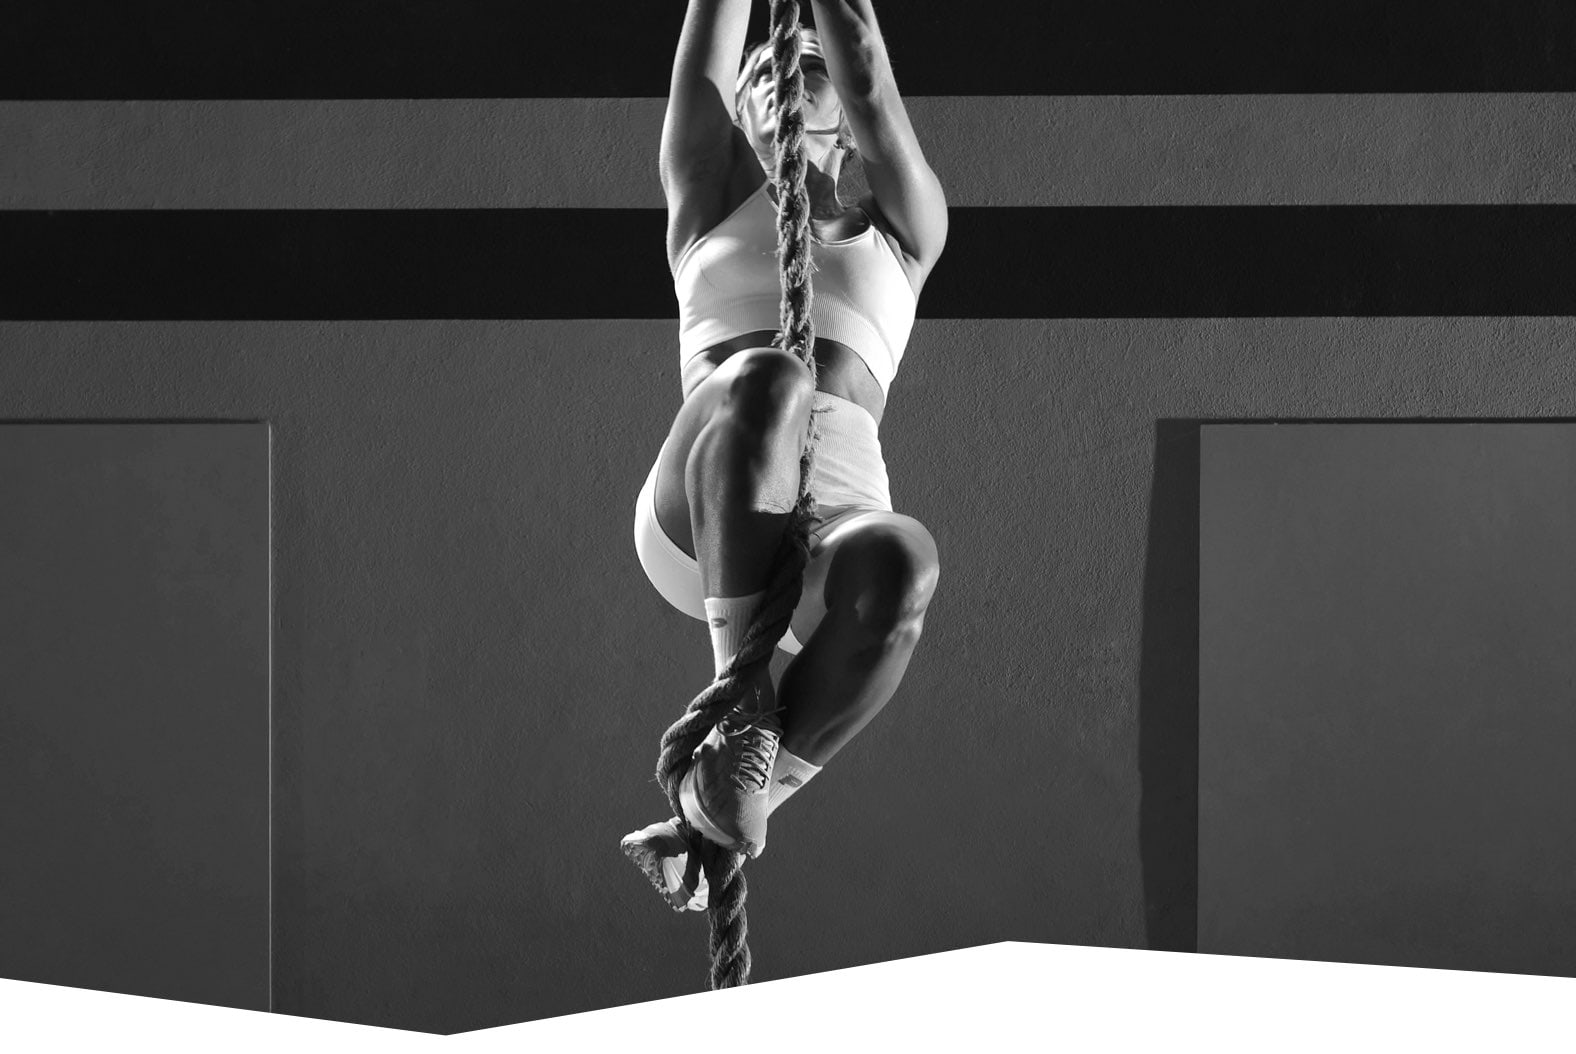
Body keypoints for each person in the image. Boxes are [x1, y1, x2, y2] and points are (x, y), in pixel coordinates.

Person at [623, 0, 947, 910]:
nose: (777, 76)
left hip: (833, 520)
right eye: (762, 71)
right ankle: (742, 698)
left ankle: (722, 810)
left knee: (905, 559)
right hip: (708, 508)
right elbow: (706, 56)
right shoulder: (709, 189)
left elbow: (869, 70)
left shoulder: (904, 231)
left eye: (804, 67)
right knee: (771, 374)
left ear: (841, 113)